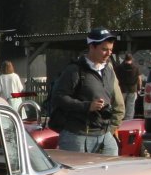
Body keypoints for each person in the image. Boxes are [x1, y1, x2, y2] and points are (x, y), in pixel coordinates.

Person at [51, 27, 125, 156]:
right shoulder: (74, 70)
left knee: (111, 174)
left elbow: (118, 103)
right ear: (92, 47)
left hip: (104, 136)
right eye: (104, 49)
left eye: (111, 50)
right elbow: (58, 97)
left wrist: (111, 129)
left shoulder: (109, 70)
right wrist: (87, 106)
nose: (108, 53)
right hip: (76, 137)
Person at [114, 53, 143, 121]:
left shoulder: (119, 67)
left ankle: (120, 118)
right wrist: (139, 88)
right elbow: (139, 79)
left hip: (122, 89)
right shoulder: (136, 67)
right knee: (131, 105)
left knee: (121, 104)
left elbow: (115, 78)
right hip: (133, 89)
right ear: (132, 59)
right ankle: (128, 120)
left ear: (124, 59)